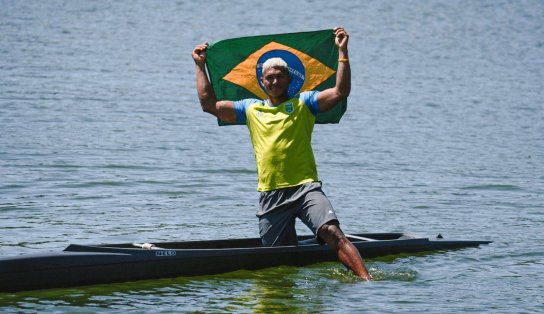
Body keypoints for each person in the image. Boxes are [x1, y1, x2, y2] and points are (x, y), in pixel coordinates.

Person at [192, 27, 371, 281]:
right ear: (262, 82)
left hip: (306, 189)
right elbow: (209, 105)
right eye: (269, 78)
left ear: (289, 79)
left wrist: (342, 52)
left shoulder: (304, 104)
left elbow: (340, 92)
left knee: (333, 232)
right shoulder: (250, 109)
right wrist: (200, 66)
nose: (274, 81)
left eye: (279, 77)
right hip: (271, 195)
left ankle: (368, 282)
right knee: (279, 263)